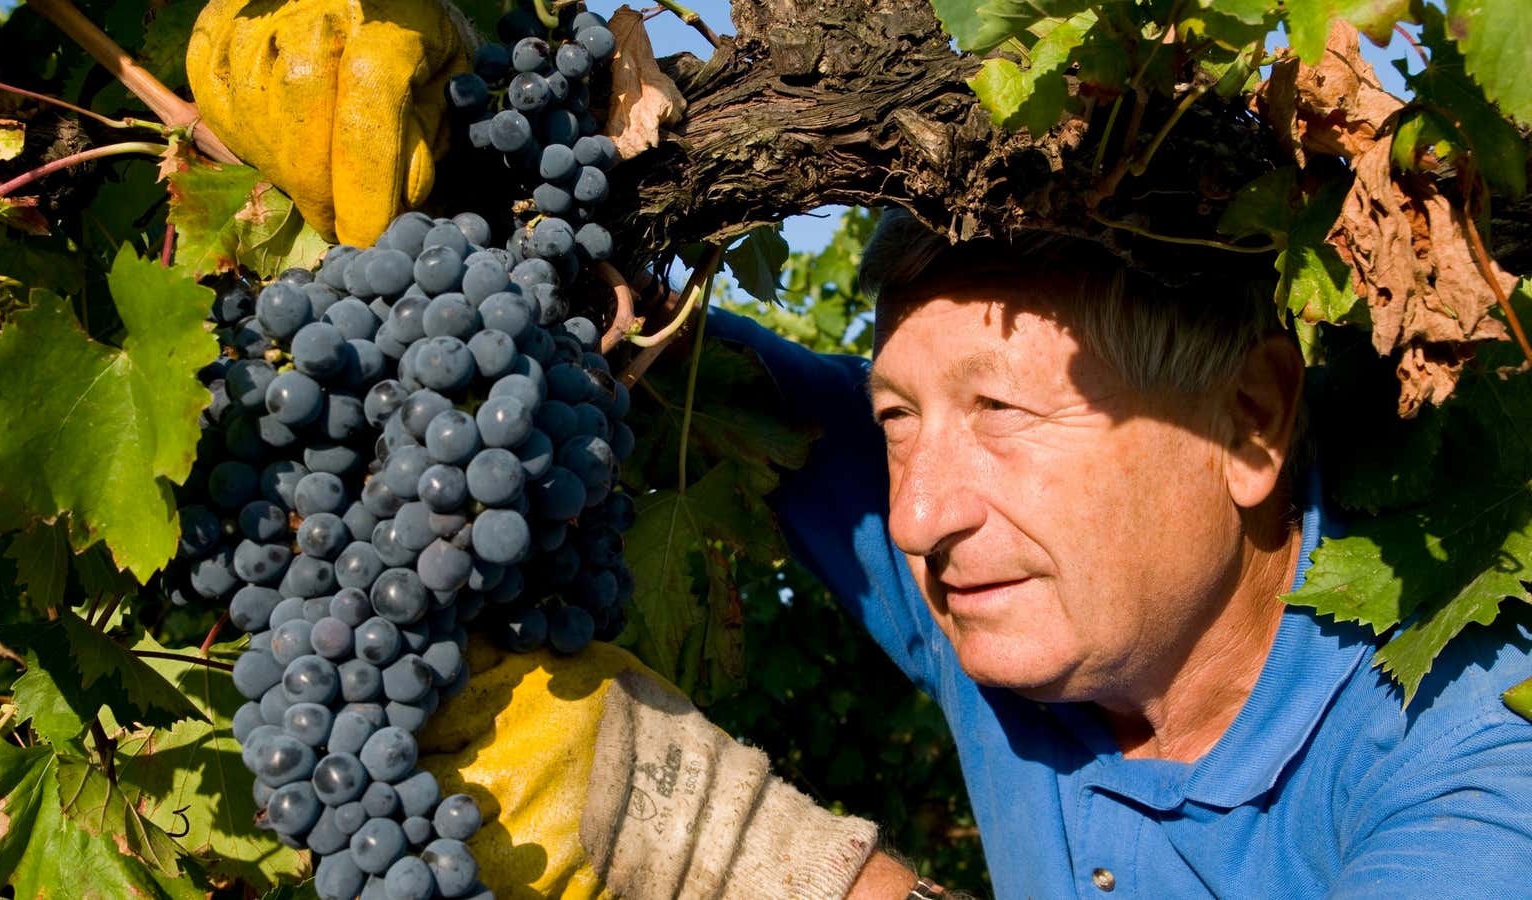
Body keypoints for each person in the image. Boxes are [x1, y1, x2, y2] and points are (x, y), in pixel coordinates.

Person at [188, 3, 1532, 896]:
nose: (923, 514)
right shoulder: (1017, 579)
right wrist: (411, 117)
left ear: (1250, 420)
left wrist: (716, 843)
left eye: (1003, 412)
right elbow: (637, 369)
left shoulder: (1479, 747)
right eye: (898, 419)